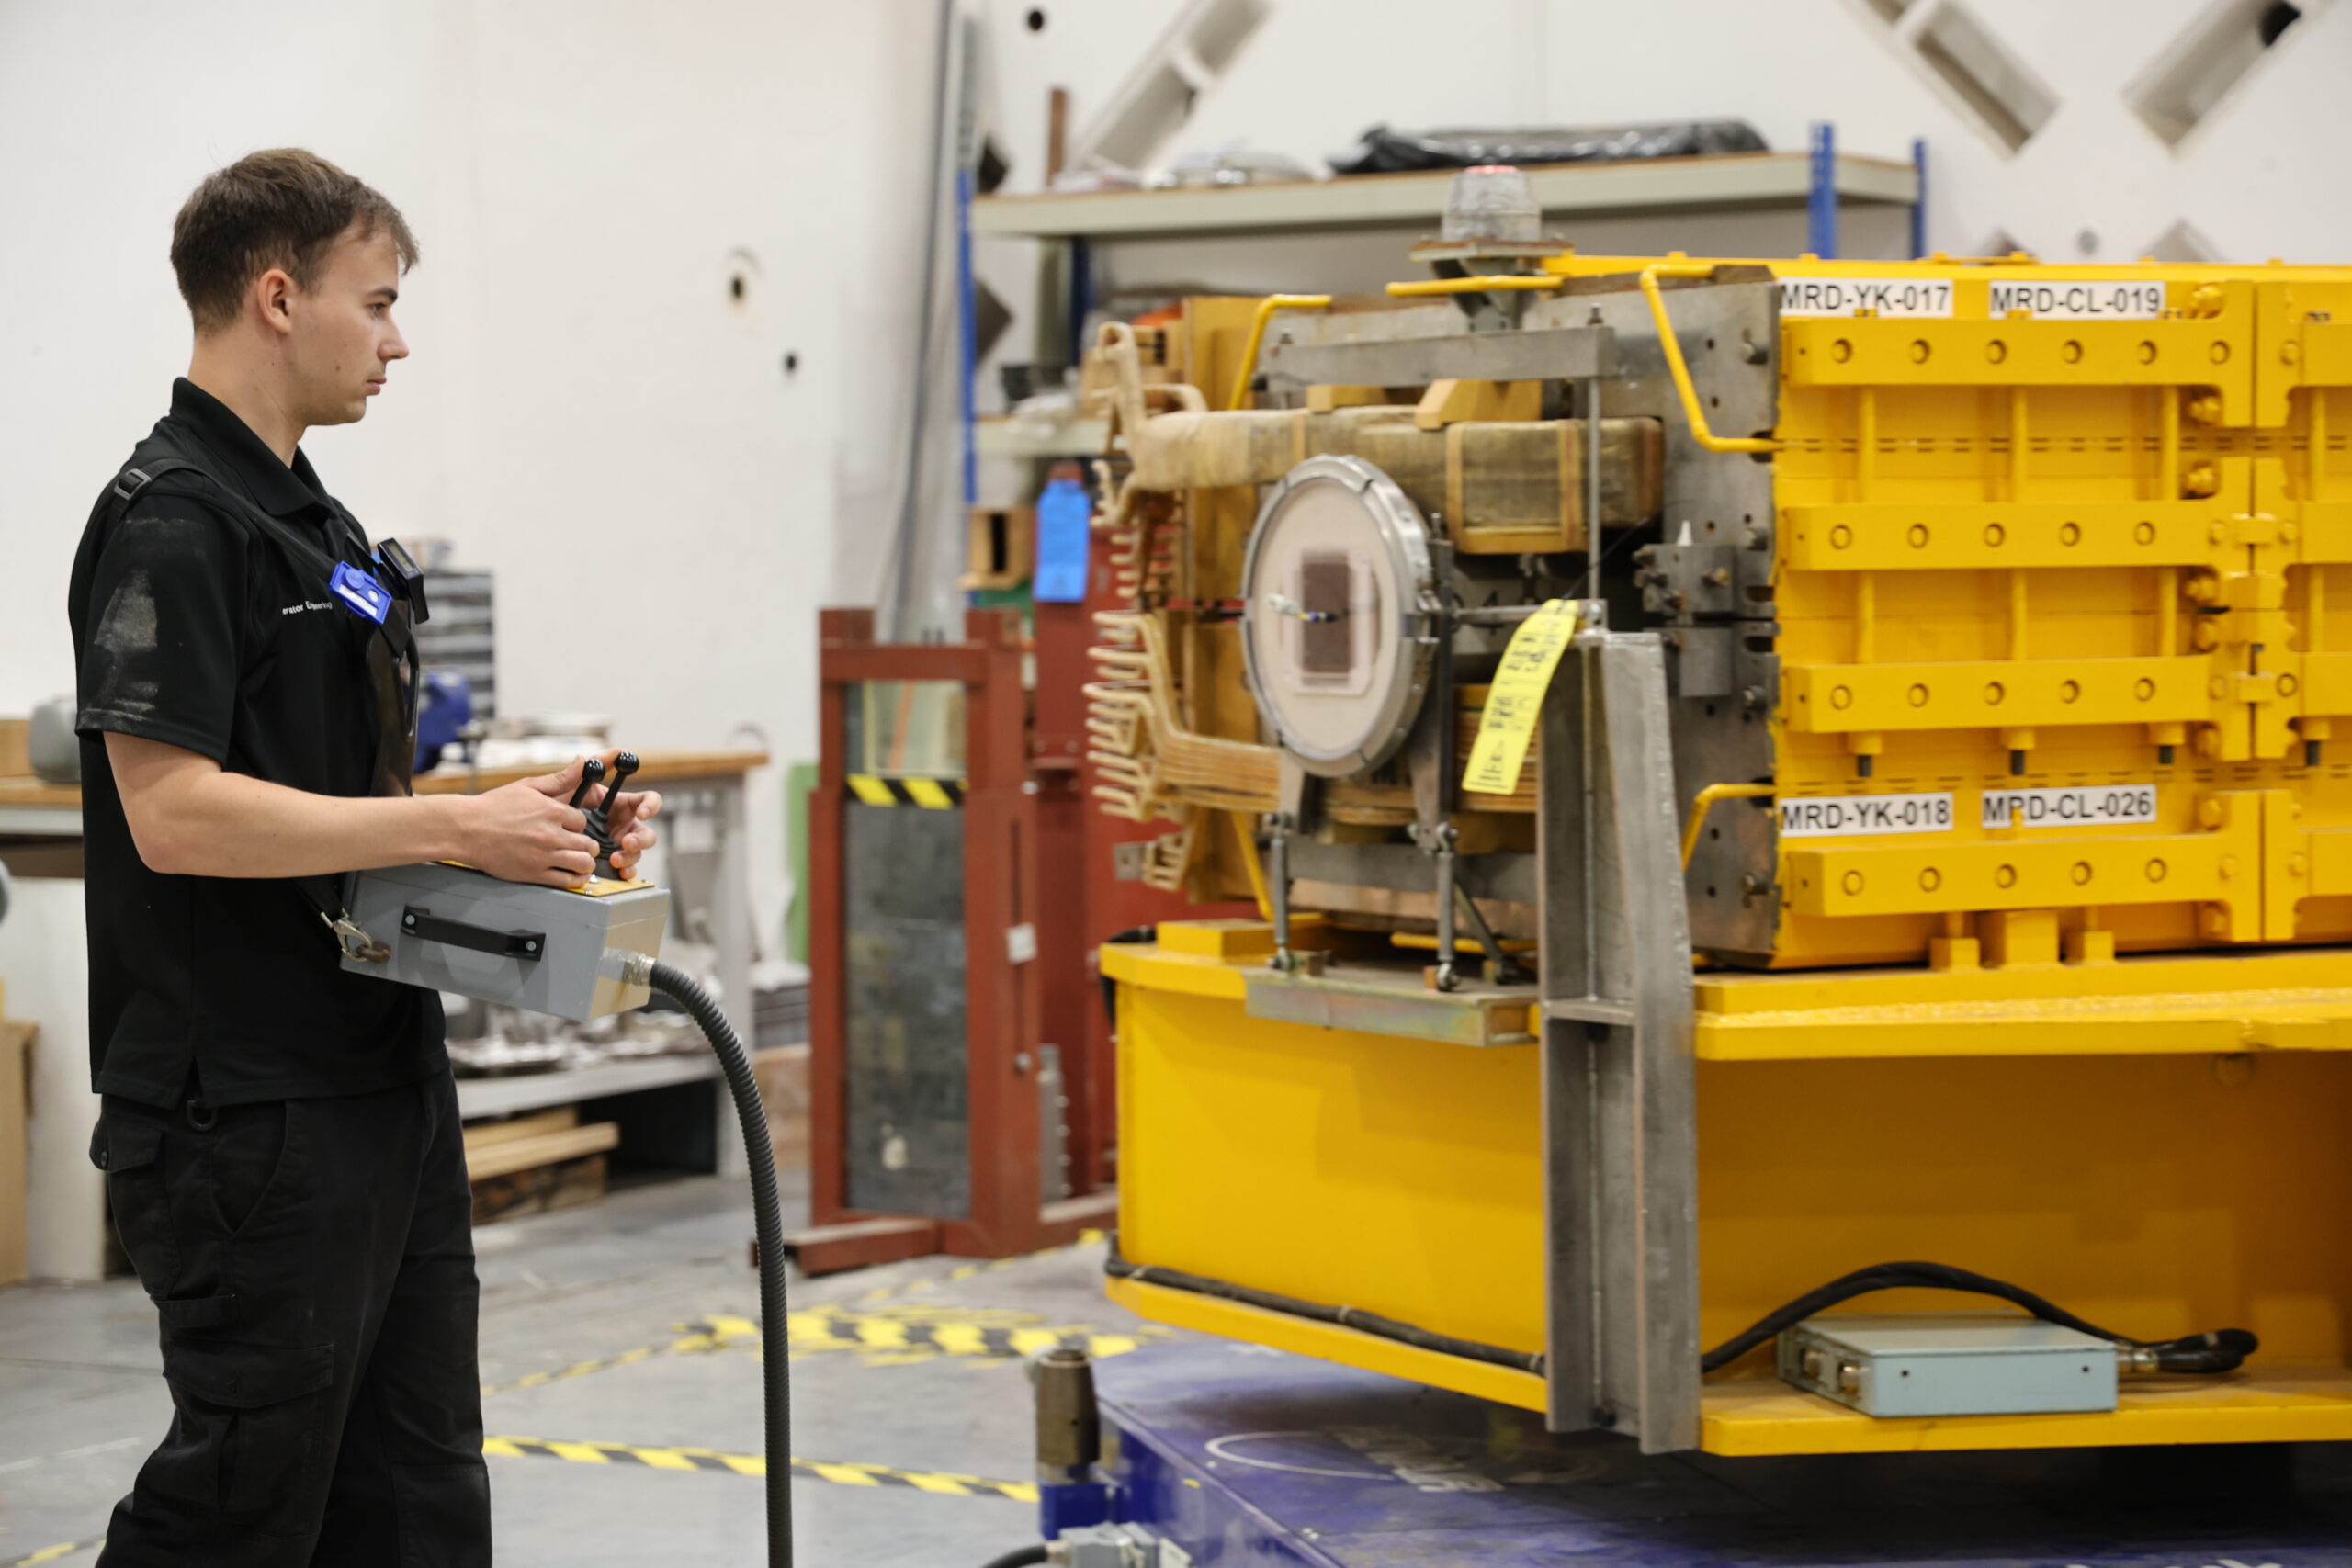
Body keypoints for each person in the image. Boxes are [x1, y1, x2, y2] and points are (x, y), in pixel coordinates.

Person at [66, 148, 661, 1567]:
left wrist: (516, 824)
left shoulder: (310, 525)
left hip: (377, 1076)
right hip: (244, 1109)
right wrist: (450, 825)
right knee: (241, 1513)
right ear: (279, 297)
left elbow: (343, 802)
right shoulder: (172, 525)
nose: (398, 342)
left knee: (415, 1502)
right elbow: (174, 812)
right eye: (379, 302)